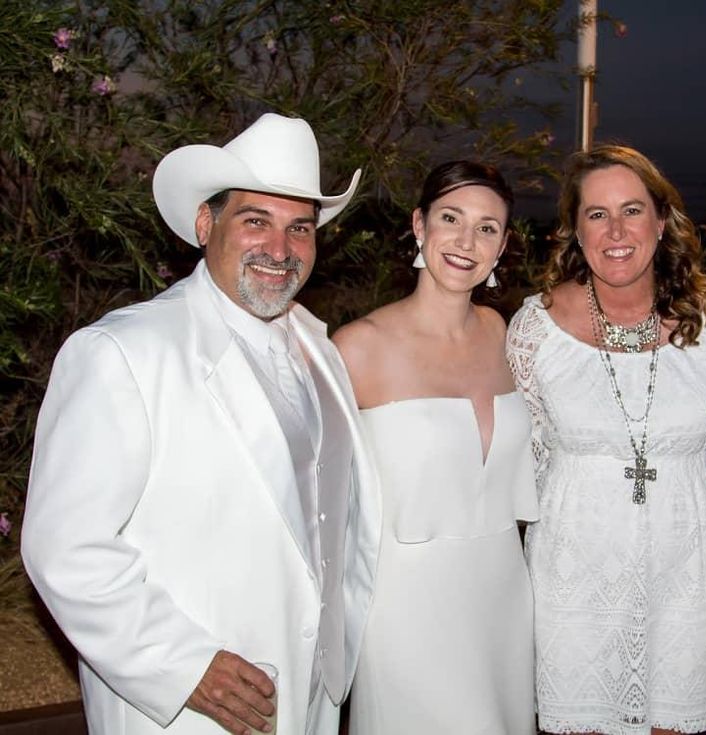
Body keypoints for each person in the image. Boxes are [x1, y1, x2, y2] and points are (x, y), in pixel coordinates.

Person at [21, 113, 382, 735]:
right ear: (205, 224)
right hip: (192, 708)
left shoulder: (322, 353)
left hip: (311, 698)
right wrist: (185, 666)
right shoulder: (124, 352)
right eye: (254, 221)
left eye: (299, 227)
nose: (279, 248)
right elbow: (65, 549)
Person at [506, 144, 706, 735]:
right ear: (575, 230)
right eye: (596, 214)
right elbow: (520, 471)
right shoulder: (533, 329)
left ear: (661, 223)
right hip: (572, 586)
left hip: (688, 583)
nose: (616, 230)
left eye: (632, 210)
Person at [332, 161, 539, 734]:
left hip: (503, 595)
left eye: (487, 227)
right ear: (419, 226)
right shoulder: (358, 348)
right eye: (451, 219)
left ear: (503, 247)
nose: (466, 241)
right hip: (405, 608)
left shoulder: (502, 332)